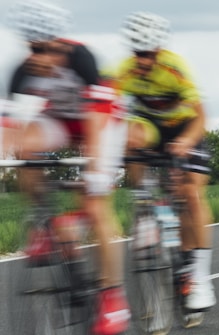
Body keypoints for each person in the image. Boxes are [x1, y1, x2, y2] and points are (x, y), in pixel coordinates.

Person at [7, 1, 130, 334]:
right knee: (24, 148)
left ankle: (111, 296)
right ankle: (44, 219)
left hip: (102, 121)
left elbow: (97, 120)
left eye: (46, 49)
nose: (40, 58)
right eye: (33, 49)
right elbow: (9, 127)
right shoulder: (23, 70)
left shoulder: (83, 60)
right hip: (61, 120)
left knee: (95, 201)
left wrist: (93, 170)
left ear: (60, 42)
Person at [103, 11, 216, 311]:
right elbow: (107, 115)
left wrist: (186, 142)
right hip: (151, 127)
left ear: (158, 50)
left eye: (147, 54)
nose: (142, 61)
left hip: (185, 128)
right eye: (137, 53)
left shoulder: (175, 68)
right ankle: (144, 200)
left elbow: (201, 117)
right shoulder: (124, 71)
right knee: (129, 136)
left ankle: (201, 276)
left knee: (191, 192)